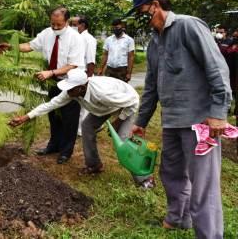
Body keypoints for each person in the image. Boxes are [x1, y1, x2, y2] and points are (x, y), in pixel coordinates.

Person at [128, 0, 231, 238]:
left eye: (140, 10)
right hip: (172, 120)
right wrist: (141, 121)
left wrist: (218, 112)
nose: (138, 17)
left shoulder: (188, 26)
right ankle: (178, 218)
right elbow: (151, 87)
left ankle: (209, 234)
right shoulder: (153, 43)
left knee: (203, 185)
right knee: (171, 172)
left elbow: (217, 69)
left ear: (154, 4)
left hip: (200, 121)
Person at [10, 68, 154, 188]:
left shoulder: (102, 93)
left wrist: (119, 121)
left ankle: (145, 179)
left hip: (125, 103)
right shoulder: (72, 93)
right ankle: (94, 165)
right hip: (103, 108)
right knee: (87, 126)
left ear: (81, 87)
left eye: (70, 89)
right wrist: (25, 117)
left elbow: (133, 100)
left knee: (124, 140)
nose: (67, 92)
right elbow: (51, 105)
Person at [6, 6, 85, 164]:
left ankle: (65, 151)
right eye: (52, 24)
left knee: (69, 118)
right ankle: (53, 145)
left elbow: (73, 64)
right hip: (52, 81)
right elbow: (29, 46)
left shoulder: (75, 38)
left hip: (71, 83)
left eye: (59, 25)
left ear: (67, 22)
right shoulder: (47, 33)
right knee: (54, 115)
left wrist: (52, 72)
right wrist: (10, 47)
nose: (55, 28)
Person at [76, 16, 97, 136]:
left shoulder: (89, 39)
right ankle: (77, 128)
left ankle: (81, 129)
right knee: (77, 102)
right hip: (77, 73)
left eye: (77, 25)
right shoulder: (79, 38)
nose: (75, 27)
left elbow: (91, 60)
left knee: (84, 103)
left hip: (85, 74)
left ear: (82, 25)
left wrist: (88, 77)